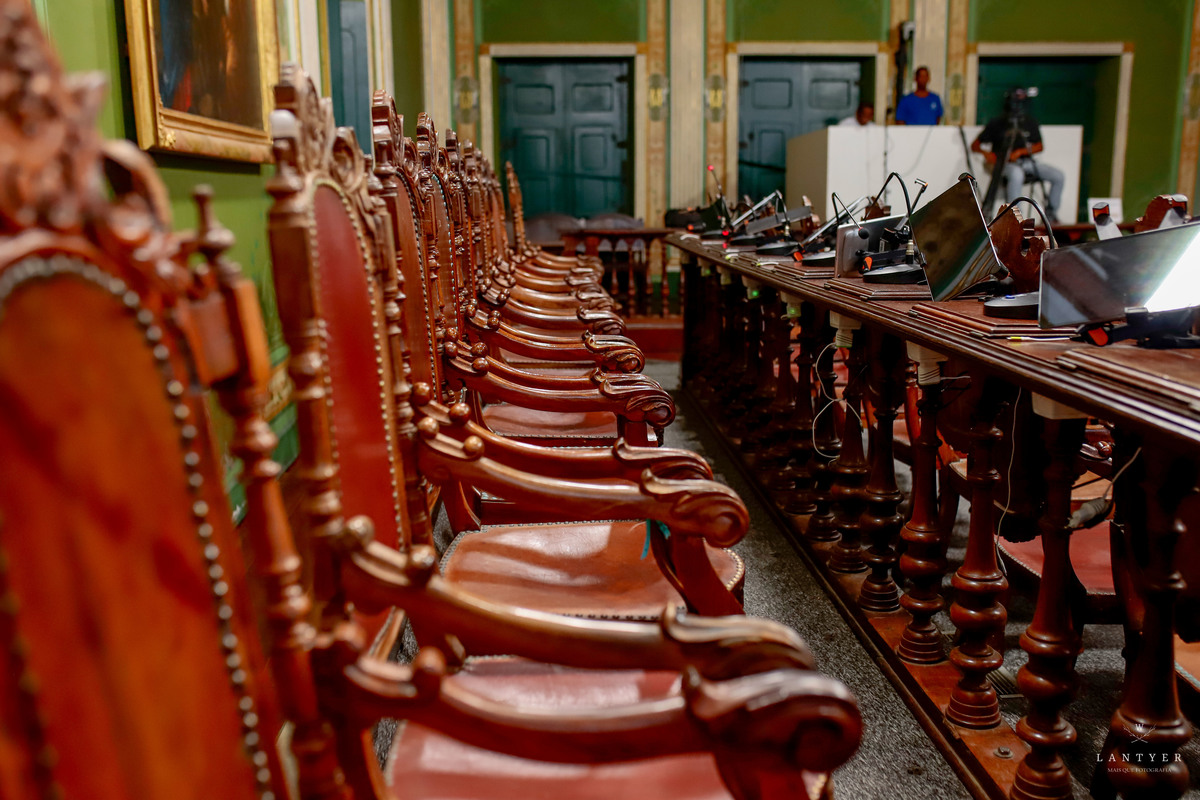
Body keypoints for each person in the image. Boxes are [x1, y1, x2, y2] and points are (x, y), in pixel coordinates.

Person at [971, 90, 1065, 222]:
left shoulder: (1029, 122)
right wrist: (987, 154)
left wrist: (1021, 152)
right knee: (1016, 174)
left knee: (1058, 175)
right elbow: (975, 145)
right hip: (1004, 164)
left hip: (1026, 162)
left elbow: (1039, 146)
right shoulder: (998, 122)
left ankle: (1051, 215)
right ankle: (1015, 218)